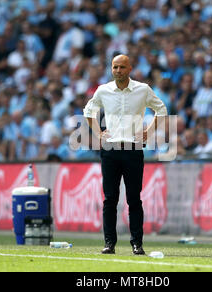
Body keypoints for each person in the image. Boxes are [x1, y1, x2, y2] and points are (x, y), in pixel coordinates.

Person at [83, 54, 167, 255]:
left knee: (134, 199)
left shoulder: (142, 89)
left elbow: (161, 110)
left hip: (132, 149)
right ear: (111, 69)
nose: (118, 71)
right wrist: (98, 133)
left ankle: (137, 244)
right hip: (110, 149)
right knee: (110, 199)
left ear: (130, 69)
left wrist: (149, 132)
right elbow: (88, 111)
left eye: (122, 67)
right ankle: (109, 243)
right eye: (114, 67)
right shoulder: (103, 91)